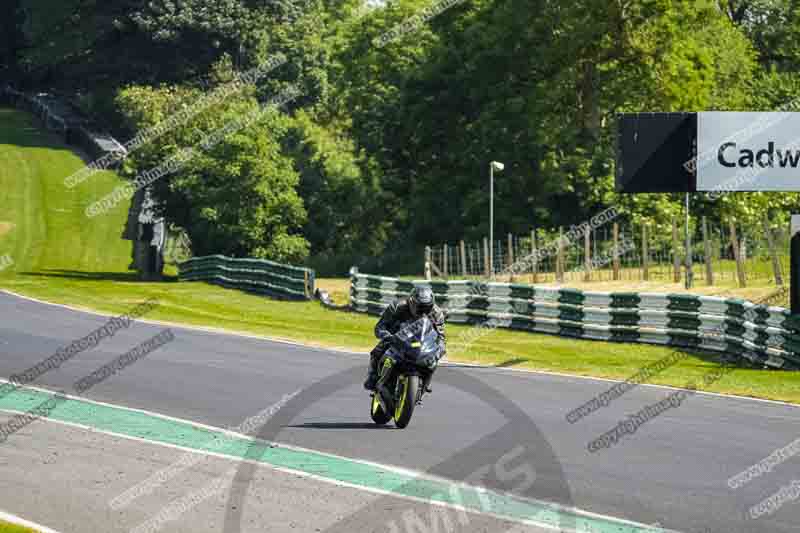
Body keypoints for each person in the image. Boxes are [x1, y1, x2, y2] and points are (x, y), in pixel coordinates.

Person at [363, 286, 446, 392]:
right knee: (378, 350)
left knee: (434, 357)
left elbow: (441, 337)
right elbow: (380, 327)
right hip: (397, 338)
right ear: (412, 302)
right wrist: (388, 336)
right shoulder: (397, 306)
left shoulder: (436, 313)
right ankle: (373, 376)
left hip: (421, 342)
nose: (423, 310)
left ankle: (425, 382)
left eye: (426, 307)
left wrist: (439, 350)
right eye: (419, 307)